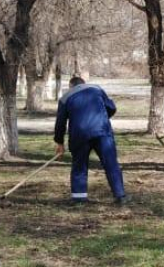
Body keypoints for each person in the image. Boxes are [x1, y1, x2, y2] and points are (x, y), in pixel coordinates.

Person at [54, 76, 128, 205]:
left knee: (79, 166)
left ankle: (79, 199)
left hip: (79, 135)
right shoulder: (96, 89)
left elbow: (60, 123)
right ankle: (120, 196)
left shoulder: (65, 98)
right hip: (102, 132)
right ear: (83, 83)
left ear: (71, 86)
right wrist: (102, 118)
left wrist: (59, 142)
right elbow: (111, 107)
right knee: (111, 163)